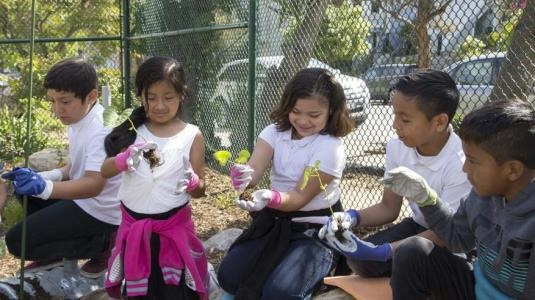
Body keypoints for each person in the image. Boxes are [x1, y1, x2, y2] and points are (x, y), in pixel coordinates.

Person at [217, 68, 355, 300]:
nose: (303, 121)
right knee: (229, 277)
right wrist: (244, 177)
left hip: (315, 230)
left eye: (313, 115)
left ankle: (321, 266)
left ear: (330, 110)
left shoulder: (329, 147)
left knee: (281, 294)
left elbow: (300, 196)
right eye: (296, 111)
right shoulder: (274, 132)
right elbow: (256, 166)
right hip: (276, 221)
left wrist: (271, 198)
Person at [319, 69, 472, 276]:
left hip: (450, 241)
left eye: (405, 120)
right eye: (395, 115)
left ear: (439, 122)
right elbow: (389, 207)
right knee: (355, 258)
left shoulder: (462, 163)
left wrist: (388, 251)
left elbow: (451, 235)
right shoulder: (398, 146)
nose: (394, 125)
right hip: (417, 226)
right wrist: (351, 217)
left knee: (383, 262)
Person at [381, 99, 535, 299]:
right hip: (477, 290)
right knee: (413, 252)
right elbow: (456, 238)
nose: (465, 169)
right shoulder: (483, 196)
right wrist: (427, 198)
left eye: (473, 161)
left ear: (512, 170)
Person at [1, 57, 121, 278]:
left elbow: (94, 185)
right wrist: (47, 175)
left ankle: (104, 245)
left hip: (98, 210)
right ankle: (56, 253)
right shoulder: (79, 117)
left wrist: (45, 187)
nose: (57, 110)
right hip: (83, 199)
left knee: (17, 242)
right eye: (53, 101)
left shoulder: (101, 130)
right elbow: (76, 165)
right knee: (23, 189)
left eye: (64, 101)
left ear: (91, 96)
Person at [101, 56, 208, 299]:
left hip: (173, 231)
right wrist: (122, 159)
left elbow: (201, 189)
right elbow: (104, 171)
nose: (160, 105)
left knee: (175, 292)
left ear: (182, 95)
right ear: (142, 97)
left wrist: (193, 182)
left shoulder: (192, 135)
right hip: (135, 232)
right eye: (151, 97)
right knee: (141, 291)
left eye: (168, 97)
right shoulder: (133, 130)